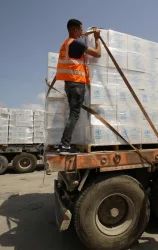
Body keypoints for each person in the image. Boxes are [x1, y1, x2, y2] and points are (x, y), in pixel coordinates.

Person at [55, 19, 101, 154]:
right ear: (75, 30)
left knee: (73, 113)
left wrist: (88, 34)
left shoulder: (65, 44)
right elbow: (98, 54)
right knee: (74, 114)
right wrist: (97, 39)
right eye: (80, 30)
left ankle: (64, 144)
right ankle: (64, 145)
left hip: (69, 83)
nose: (82, 33)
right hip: (76, 82)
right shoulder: (76, 43)